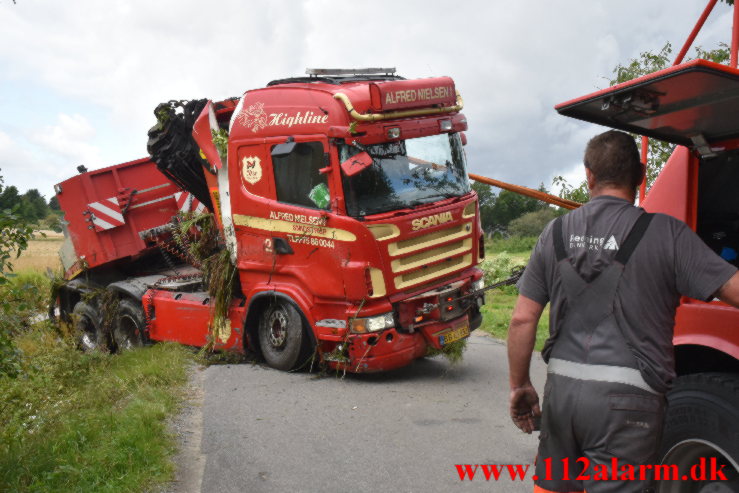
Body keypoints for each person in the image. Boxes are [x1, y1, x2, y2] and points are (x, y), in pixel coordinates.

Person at [507, 130, 739, 493]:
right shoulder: (667, 233)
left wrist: (520, 385)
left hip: (562, 395)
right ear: (641, 175)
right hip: (629, 406)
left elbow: (522, 318)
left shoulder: (554, 233)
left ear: (589, 175)